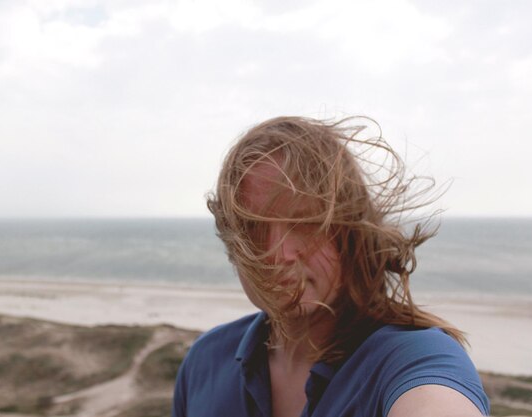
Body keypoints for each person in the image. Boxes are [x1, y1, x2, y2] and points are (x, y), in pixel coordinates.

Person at [172, 116, 489, 417]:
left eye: (306, 223)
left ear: (350, 236)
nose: (278, 254)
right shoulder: (206, 360)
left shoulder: (414, 358)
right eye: (253, 229)